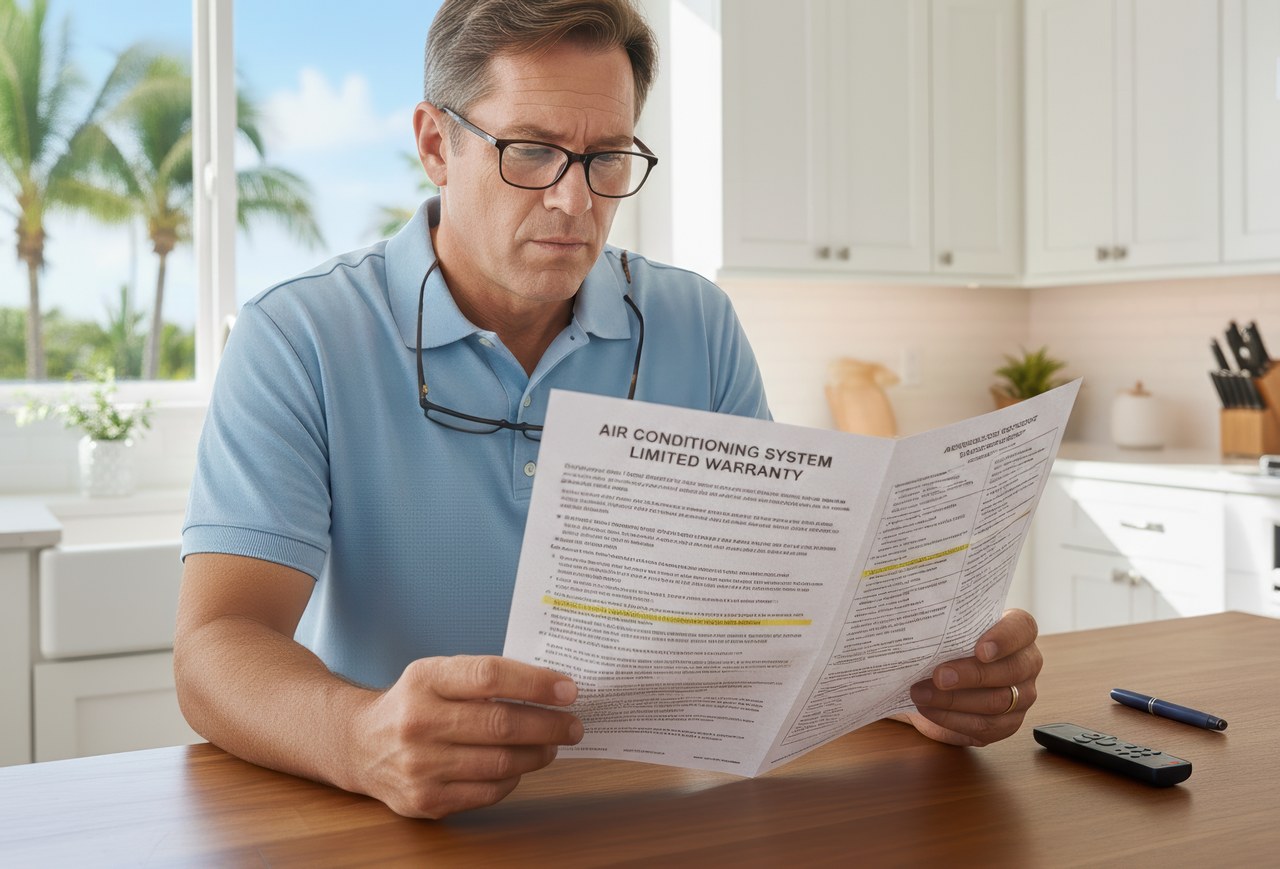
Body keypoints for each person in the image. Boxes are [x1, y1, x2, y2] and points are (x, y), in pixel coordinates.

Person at [174, 0, 1043, 820]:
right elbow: (215, 646)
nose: (575, 202)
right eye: (531, 151)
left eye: (608, 158)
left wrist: (909, 689)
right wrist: (360, 739)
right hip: (401, 824)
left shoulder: (695, 324)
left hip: (650, 814)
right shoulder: (298, 336)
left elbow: (775, 615)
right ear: (437, 144)